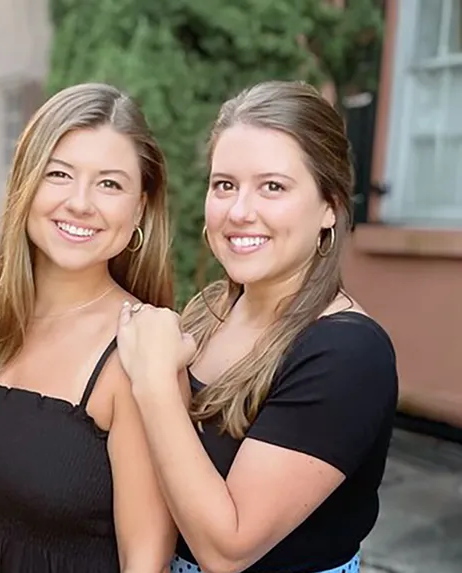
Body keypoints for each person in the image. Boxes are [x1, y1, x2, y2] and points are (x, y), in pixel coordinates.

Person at [115, 80, 398, 573]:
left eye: (273, 186)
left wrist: (155, 383)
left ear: (329, 205)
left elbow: (228, 549)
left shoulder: (346, 353)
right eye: (224, 185)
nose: (240, 212)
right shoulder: (207, 312)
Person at [0, 83, 179, 573]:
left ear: (140, 207)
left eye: (109, 184)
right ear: (25, 183)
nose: (80, 203)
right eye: (59, 174)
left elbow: (145, 560)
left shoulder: (139, 347)